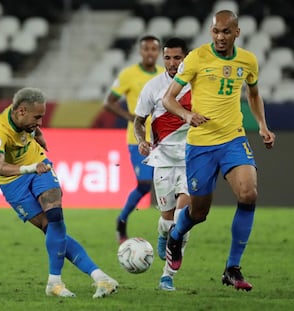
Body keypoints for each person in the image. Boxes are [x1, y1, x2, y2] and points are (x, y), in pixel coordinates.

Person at [162, 10, 276, 291]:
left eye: (226, 32)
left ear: (237, 32)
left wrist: (262, 125)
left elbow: (253, 94)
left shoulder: (247, 60)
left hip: (233, 139)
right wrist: (188, 117)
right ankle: (176, 235)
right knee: (199, 213)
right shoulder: (196, 58)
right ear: (210, 32)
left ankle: (232, 268)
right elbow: (168, 99)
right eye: (215, 31)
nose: (220, 37)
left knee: (249, 193)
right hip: (201, 144)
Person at [0, 87, 118, 298]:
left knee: (55, 216)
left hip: (39, 166)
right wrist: (28, 168)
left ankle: (59, 281)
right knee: (49, 227)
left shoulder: (23, 114)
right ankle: (97, 277)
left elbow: (33, 127)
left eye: (42, 117)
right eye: (37, 117)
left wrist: (39, 135)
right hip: (12, 181)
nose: (40, 122)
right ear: (21, 111)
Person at [134, 37, 191, 291]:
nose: (171, 63)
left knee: (183, 218)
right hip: (164, 160)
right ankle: (162, 232)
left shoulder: (197, 85)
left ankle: (167, 276)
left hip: (193, 159)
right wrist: (141, 139)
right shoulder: (153, 87)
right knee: (168, 219)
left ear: (186, 58)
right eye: (167, 58)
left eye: (177, 58)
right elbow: (139, 120)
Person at [104, 35, 165, 244]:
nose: (150, 52)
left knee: (169, 185)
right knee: (144, 184)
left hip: (162, 139)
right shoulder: (128, 74)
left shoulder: (164, 75)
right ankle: (121, 221)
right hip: (137, 139)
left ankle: (169, 232)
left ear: (159, 52)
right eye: (146, 49)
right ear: (140, 51)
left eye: (154, 49)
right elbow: (109, 102)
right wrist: (131, 117)